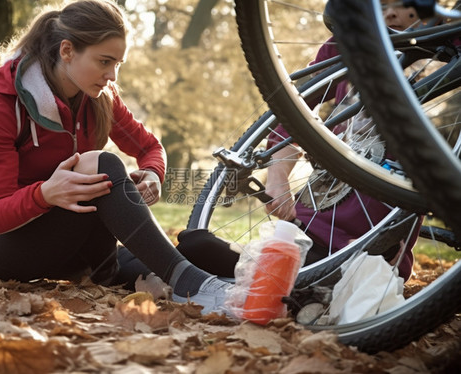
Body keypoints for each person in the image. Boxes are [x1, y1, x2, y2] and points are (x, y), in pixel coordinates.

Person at [0, 0, 231, 315]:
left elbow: (149, 148)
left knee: (196, 250)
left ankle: (263, 285)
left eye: (118, 63)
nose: (112, 75)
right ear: (67, 51)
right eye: (104, 61)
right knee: (103, 165)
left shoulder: (100, 98)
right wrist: (45, 194)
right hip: (8, 249)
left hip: (80, 249)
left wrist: (151, 174)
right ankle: (193, 283)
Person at [176, 1, 422, 282]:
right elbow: (292, 109)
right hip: (305, 229)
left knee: (199, 252)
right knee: (194, 245)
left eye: (407, 4)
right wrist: (278, 176)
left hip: (370, 247)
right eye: (382, 3)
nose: (391, 13)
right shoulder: (344, 47)